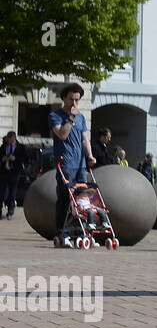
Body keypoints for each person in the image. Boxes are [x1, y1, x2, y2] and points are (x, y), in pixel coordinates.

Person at [49, 83, 95, 246]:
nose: (75, 104)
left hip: (80, 164)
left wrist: (89, 155)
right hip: (66, 163)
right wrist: (71, 118)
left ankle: (79, 231)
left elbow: (84, 138)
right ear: (63, 98)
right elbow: (62, 134)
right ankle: (62, 232)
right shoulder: (56, 116)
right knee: (64, 199)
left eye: (77, 100)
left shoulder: (81, 117)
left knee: (81, 200)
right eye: (71, 100)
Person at [1, 132, 27, 220]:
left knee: (12, 193)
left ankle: (10, 212)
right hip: (4, 172)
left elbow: (25, 158)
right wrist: (3, 158)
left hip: (14, 173)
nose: (8, 141)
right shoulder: (4, 146)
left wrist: (15, 159)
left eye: (9, 139)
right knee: (2, 193)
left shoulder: (20, 147)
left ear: (13, 138)